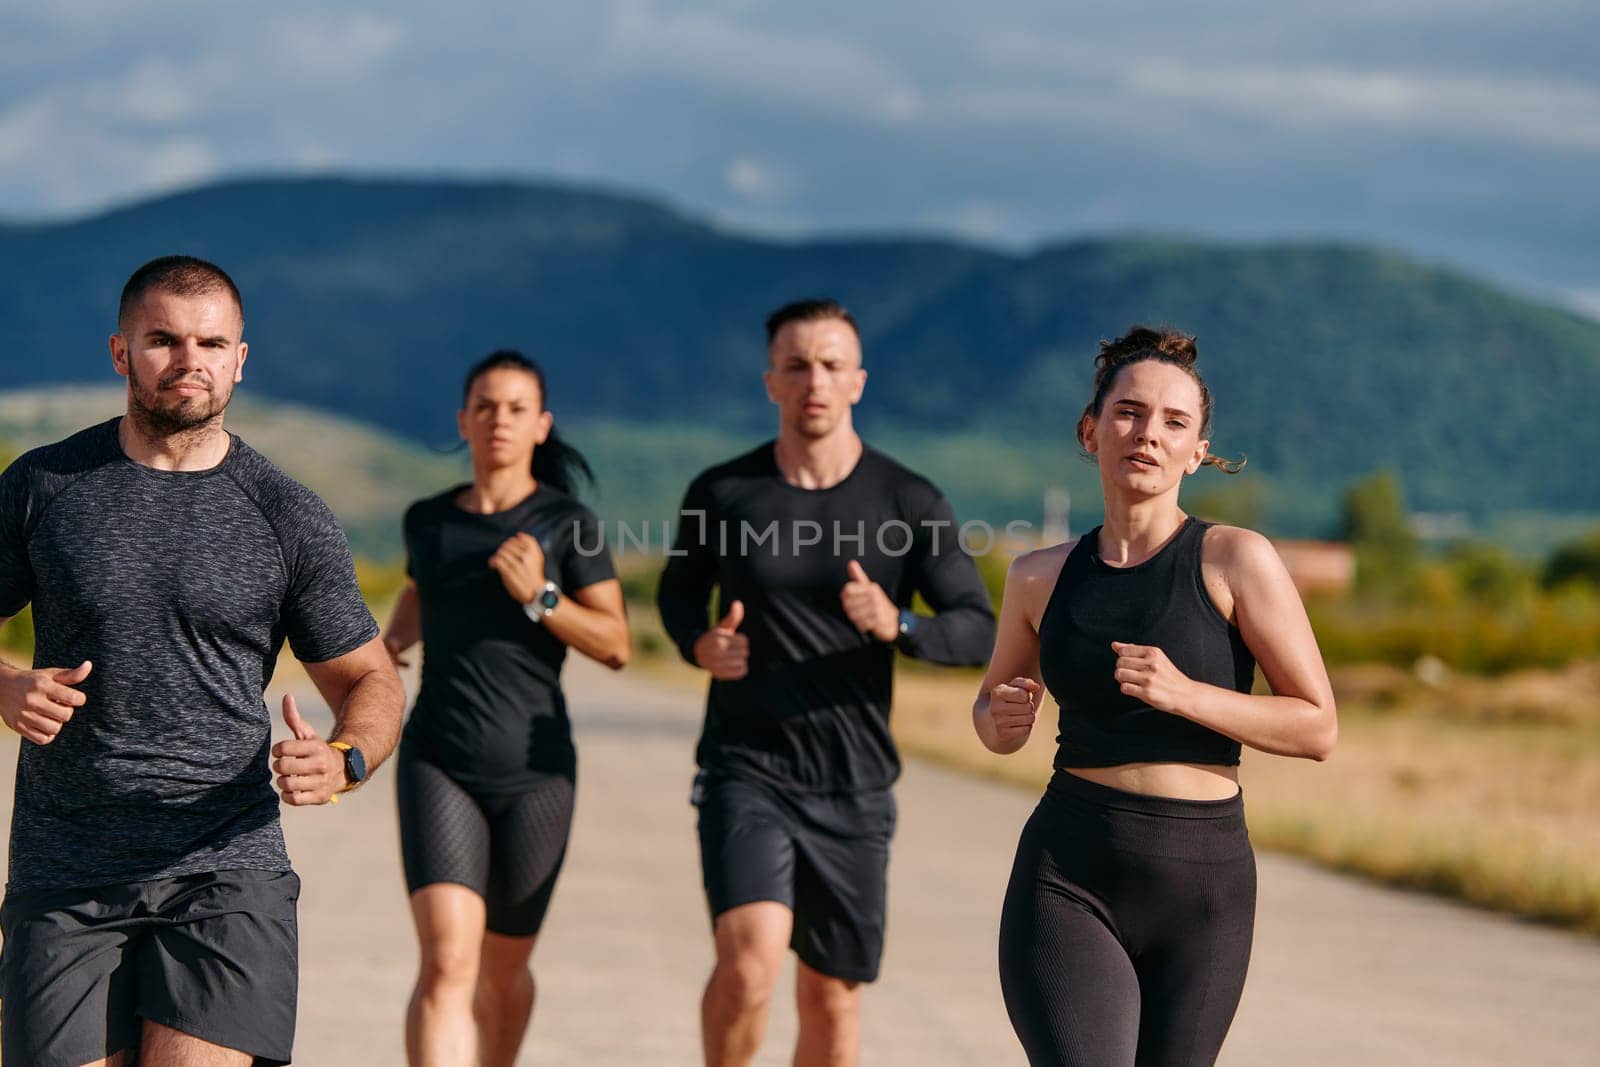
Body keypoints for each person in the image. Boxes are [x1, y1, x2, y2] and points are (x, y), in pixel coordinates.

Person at [0, 255, 405, 1067]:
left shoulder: (287, 514)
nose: (190, 361)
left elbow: (372, 678)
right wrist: (4, 682)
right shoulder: (44, 487)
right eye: (164, 340)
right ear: (121, 353)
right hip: (66, 867)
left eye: (212, 343)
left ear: (240, 360)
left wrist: (345, 757)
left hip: (226, 869)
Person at [973, 326, 1338, 1066]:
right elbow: (992, 715)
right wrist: (1000, 717)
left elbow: (1317, 725)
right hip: (1068, 871)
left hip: (1204, 890)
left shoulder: (1237, 560)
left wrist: (1186, 694)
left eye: (1175, 422)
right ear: (1091, 429)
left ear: (1198, 452)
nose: (1149, 434)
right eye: (1129, 412)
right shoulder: (1038, 575)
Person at [657, 298, 996, 1067]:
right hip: (747, 765)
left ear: (858, 382)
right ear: (771, 380)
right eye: (798, 364)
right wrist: (699, 644)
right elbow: (679, 597)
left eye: (832, 364)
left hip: (855, 782)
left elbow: (976, 624)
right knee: (748, 963)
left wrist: (898, 624)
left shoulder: (908, 500)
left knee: (832, 999)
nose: (815, 379)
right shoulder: (723, 492)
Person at [382, 349, 629, 1067]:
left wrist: (541, 595)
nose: (499, 420)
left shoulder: (566, 522)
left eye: (517, 408)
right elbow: (422, 589)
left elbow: (615, 642)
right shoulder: (427, 520)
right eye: (485, 406)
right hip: (439, 761)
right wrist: (386, 646)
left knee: (502, 970)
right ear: (463, 420)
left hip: (535, 775)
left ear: (542, 425)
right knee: (446, 964)